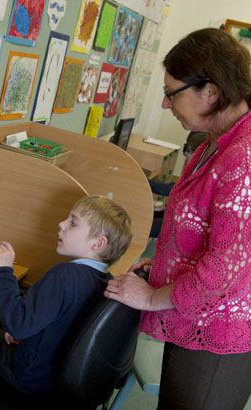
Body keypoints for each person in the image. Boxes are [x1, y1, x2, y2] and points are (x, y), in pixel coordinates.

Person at [105, 28, 251, 410]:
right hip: (195, 319)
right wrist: (168, 265)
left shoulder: (243, 157)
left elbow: (224, 268)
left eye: (172, 93)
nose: (166, 104)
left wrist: (153, 296)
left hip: (216, 329)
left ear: (211, 91)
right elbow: (212, 234)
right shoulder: (217, 142)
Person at [0, 195, 132, 396]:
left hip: (30, 377)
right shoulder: (104, 280)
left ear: (98, 244)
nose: (61, 224)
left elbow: (18, 324)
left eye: (73, 222)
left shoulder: (64, 276)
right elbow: (58, 323)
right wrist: (27, 335)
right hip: (56, 380)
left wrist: (4, 272)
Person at [149, 131, 208, 237]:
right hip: (178, 219)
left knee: (143, 225)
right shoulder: (197, 172)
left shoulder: (201, 177)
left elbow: (166, 190)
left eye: (189, 151)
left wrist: (143, 179)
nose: (186, 154)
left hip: (180, 226)